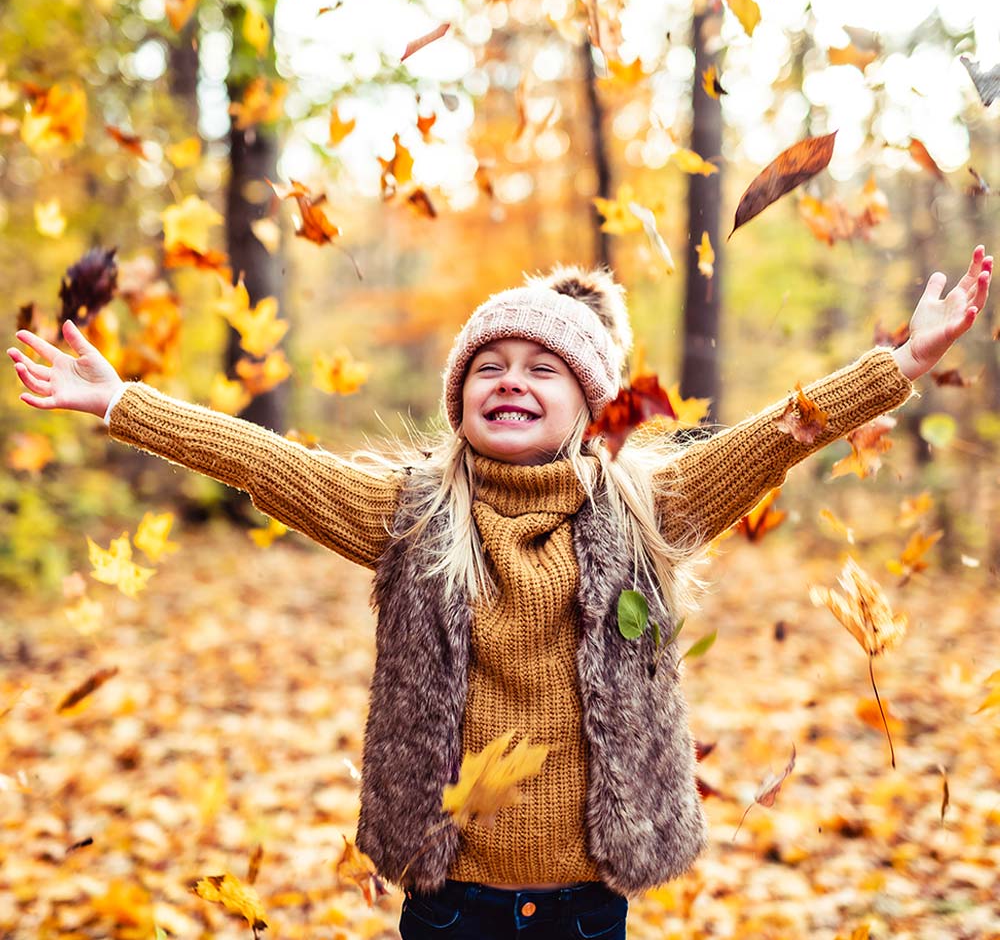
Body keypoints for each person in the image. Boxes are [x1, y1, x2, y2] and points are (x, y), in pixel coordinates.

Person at [7, 246, 992, 939]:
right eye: (488, 363)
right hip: (450, 899)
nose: (509, 378)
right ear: (458, 398)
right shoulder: (408, 516)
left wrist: (902, 361)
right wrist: (120, 402)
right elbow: (265, 461)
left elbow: (785, 430)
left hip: (583, 900)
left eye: (542, 367)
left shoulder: (647, 509)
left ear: (589, 404)